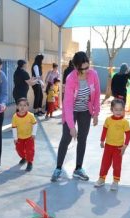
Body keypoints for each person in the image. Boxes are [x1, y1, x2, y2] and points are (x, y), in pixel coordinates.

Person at [50, 51, 100, 182]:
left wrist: (96, 113)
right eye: (82, 68)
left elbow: (97, 94)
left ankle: (78, 168)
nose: (85, 70)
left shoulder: (93, 74)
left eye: (87, 67)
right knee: (66, 138)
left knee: (82, 138)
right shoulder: (71, 78)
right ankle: (58, 168)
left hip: (85, 110)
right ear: (76, 67)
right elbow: (67, 104)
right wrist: (71, 127)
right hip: (71, 110)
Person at [95, 99, 130, 191]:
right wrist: (102, 141)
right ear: (112, 109)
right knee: (105, 163)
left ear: (123, 110)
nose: (118, 112)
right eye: (116, 109)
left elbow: (128, 134)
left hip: (118, 148)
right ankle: (101, 179)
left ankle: (115, 181)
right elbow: (104, 130)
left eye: (120, 109)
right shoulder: (108, 120)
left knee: (117, 165)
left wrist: (125, 146)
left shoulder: (125, 122)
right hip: (108, 146)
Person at [12, 98, 37, 171]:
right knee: (19, 149)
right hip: (19, 137)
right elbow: (14, 128)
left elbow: (35, 124)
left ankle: (30, 162)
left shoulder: (30, 115)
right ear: (17, 106)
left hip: (29, 137)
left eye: (24, 105)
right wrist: (15, 138)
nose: (22, 107)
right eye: (20, 105)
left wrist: (33, 134)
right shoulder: (15, 117)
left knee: (30, 150)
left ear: (27, 107)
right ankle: (24, 157)